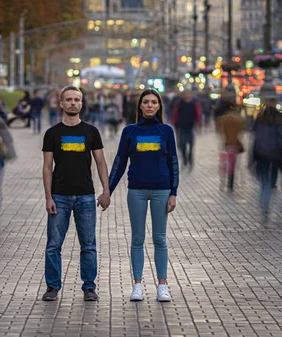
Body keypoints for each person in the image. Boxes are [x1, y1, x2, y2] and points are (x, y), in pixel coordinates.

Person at [108, 88, 179, 302]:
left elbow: (173, 163)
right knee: (137, 239)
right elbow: (120, 162)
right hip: (136, 190)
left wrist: (173, 193)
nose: (149, 105)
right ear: (140, 105)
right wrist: (107, 191)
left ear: (159, 106)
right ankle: (137, 284)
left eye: (153, 102)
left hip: (161, 190)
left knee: (160, 239)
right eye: (146, 102)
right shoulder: (129, 131)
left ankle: (162, 286)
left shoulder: (166, 131)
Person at [41, 86, 111, 302]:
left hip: (85, 196)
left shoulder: (91, 132)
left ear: (82, 104)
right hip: (59, 196)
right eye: (69, 100)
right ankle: (52, 287)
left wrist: (106, 190)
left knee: (88, 245)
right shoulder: (52, 133)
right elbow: (46, 167)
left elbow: (100, 162)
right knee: (54, 244)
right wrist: (48, 197)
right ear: (61, 104)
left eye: (77, 100)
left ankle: (89, 287)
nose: (73, 103)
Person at [251, 102, 282, 216]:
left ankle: (264, 202)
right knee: (272, 178)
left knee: (263, 181)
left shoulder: (259, 124)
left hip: (260, 154)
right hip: (276, 154)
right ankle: (269, 195)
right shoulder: (280, 124)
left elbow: (255, 140)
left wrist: (251, 159)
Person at [216, 101, 245, 191]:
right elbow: (242, 130)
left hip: (226, 144)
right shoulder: (239, 119)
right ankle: (230, 184)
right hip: (235, 144)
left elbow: (219, 130)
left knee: (224, 164)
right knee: (233, 164)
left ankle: (222, 183)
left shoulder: (222, 119)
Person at [171, 90, 202, 170]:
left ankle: (190, 159)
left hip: (191, 126)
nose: (187, 95)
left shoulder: (194, 103)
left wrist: (199, 124)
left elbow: (197, 114)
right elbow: (175, 113)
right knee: (182, 145)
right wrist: (174, 123)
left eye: (188, 94)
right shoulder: (179, 103)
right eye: (185, 94)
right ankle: (185, 159)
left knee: (191, 144)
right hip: (181, 126)